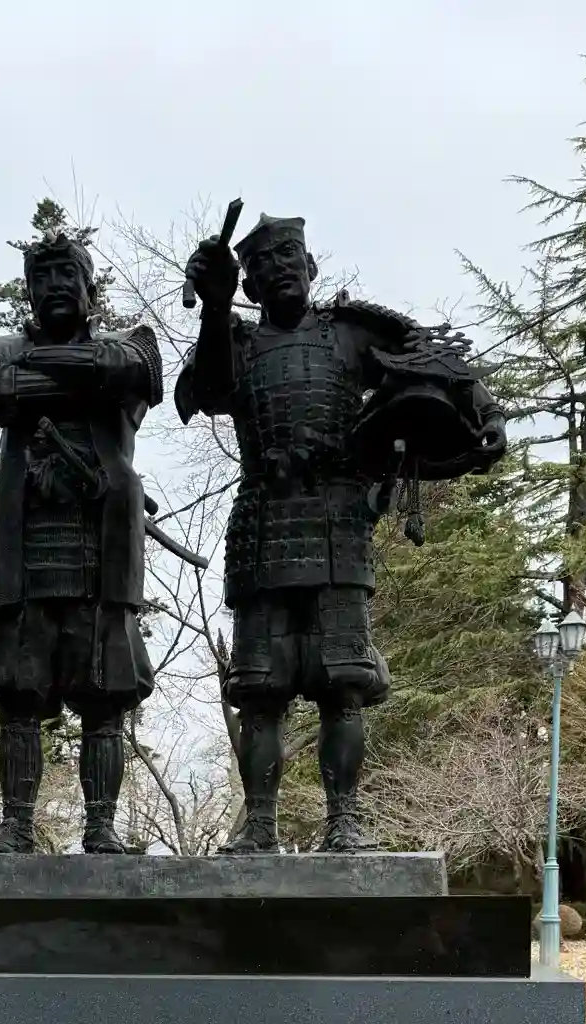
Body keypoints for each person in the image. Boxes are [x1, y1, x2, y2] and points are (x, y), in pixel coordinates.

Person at [176, 213, 506, 853]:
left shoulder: (351, 333)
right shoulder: (235, 342)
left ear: (310, 266)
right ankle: (260, 825)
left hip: (339, 520)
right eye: (263, 265)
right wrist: (213, 307)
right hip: (265, 521)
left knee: (343, 684)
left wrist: (486, 414)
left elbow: (440, 364)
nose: (279, 271)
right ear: (248, 283)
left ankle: (345, 819)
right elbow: (208, 390)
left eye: (289, 258)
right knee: (260, 689)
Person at [0, 233, 162, 853]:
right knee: (18, 693)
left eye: (66, 275)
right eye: (42, 278)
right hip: (29, 550)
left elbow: (134, 374)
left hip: (103, 551)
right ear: (28, 291)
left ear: (88, 287)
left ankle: (101, 826)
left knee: (105, 694)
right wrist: (85, 380)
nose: (54, 287)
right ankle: (16, 825)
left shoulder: (130, 346)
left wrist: (40, 376)